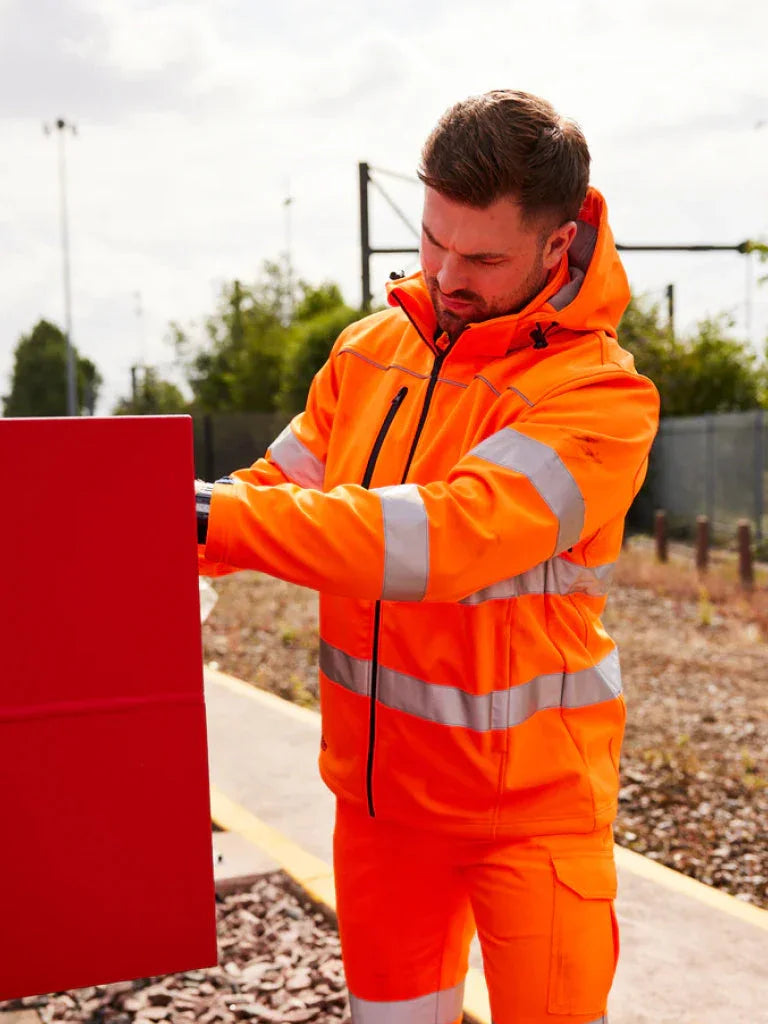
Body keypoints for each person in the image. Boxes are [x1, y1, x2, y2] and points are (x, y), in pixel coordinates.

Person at [196, 89, 660, 1024]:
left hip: (531, 818)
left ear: (557, 246)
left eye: (482, 257)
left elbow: (442, 539)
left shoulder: (602, 400)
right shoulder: (367, 353)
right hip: (380, 811)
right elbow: (271, 489)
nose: (446, 275)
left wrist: (210, 521)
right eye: (434, 240)